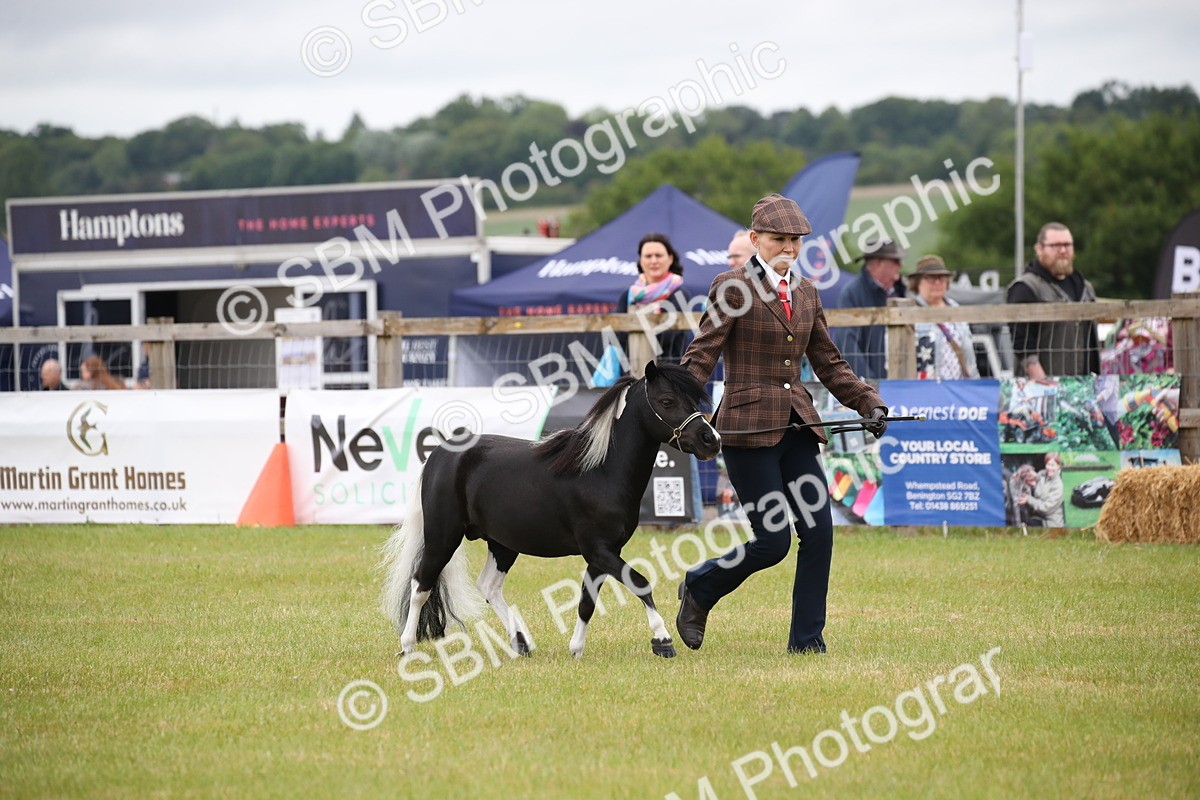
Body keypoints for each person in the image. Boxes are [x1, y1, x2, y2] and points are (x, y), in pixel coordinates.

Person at [675, 193, 888, 654]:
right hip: (747, 430)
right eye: (778, 239)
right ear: (755, 239)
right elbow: (702, 354)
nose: (788, 247)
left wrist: (868, 402)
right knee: (772, 543)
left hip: (797, 430)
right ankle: (700, 587)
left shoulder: (808, 292)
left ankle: (807, 641)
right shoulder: (732, 286)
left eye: (794, 240)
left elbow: (828, 361)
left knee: (819, 534)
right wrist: (676, 406)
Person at [1007, 222, 1100, 378]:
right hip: (1039, 389)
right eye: (1056, 245)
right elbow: (1022, 344)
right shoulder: (1025, 287)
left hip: (1083, 387)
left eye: (1067, 245)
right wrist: (1045, 384)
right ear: (1039, 249)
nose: (1063, 250)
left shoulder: (1085, 288)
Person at [833, 239, 907, 379]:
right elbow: (848, 345)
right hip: (871, 387)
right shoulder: (852, 293)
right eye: (896, 261)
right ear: (879, 263)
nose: (900, 265)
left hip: (902, 382)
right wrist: (870, 382)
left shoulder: (901, 291)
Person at [616, 232, 690, 374]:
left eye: (659, 255)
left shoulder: (680, 294)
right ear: (640, 260)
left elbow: (667, 336)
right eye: (648, 256)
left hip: (669, 376)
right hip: (631, 374)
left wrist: (636, 328)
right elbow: (618, 335)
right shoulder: (628, 295)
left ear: (670, 258)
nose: (653, 261)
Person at [909, 255, 979, 380]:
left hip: (958, 391)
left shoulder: (956, 310)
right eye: (930, 278)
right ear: (917, 282)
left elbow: (970, 360)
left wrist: (974, 386)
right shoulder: (909, 313)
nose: (937, 282)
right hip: (923, 391)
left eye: (942, 277)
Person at [1018, 452, 1065, 527]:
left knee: (1030, 524)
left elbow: (1046, 509)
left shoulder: (1058, 485)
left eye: (1053, 465)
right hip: (1038, 515)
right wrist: (1032, 485)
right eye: (1048, 464)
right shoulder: (1042, 474)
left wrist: (1028, 499)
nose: (1049, 468)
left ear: (1058, 466)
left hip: (1051, 522)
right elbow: (1038, 490)